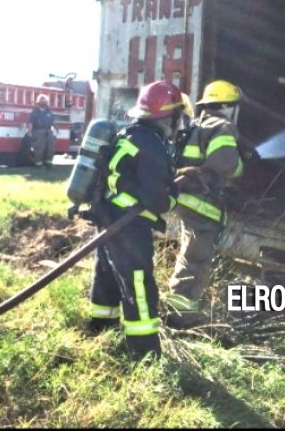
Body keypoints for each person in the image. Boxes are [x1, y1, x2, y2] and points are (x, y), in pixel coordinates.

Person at [88, 80, 183, 361]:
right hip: (129, 225)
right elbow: (158, 200)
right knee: (139, 284)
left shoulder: (129, 133)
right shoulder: (152, 145)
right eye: (178, 115)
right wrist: (175, 195)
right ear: (169, 116)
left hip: (108, 216)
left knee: (106, 275)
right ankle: (144, 354)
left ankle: (100, 330)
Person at [165, 79, 245, 329]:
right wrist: (242, 166)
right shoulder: (223, 125)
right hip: (202, 203)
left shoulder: (196, 124)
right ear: (228, 106)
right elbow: (226, 165)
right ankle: (179, 318)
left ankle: (183, 313)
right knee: (195, 260)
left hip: (185, 198)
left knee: (191, 256)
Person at [28, 94, 57, 167]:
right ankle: (38, 164)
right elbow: (31, 123)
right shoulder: (35, 112)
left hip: (49, 131)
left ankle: (48, 163)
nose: (44, 102)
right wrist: (30, 131)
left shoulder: (49, 112)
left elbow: (53, 122)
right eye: (42, 100)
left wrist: (55, 130)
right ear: (39, 101)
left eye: (45, 100)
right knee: (39, 148)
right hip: (38, 131)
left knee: (51, 147)